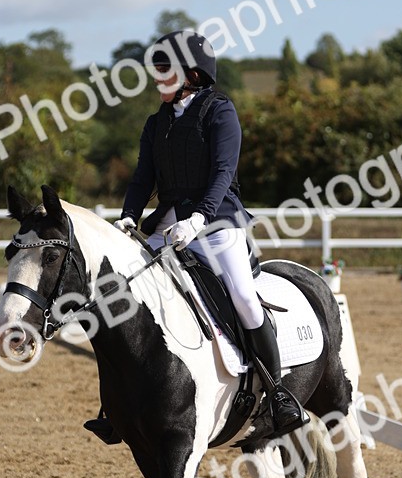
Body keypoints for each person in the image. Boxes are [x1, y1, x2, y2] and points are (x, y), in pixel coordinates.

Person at [84, 28, 306, 443]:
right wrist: (129, 218)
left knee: (241, 295)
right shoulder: (157, 122)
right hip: (166, 225)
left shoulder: (220, 112)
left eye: (164, 70)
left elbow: (223, 172)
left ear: (193, 74)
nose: (157, 78)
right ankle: (119, 402)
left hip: (217, 223)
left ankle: (277, 394)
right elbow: (141, 177)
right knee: (128, 296)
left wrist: (200, 218)